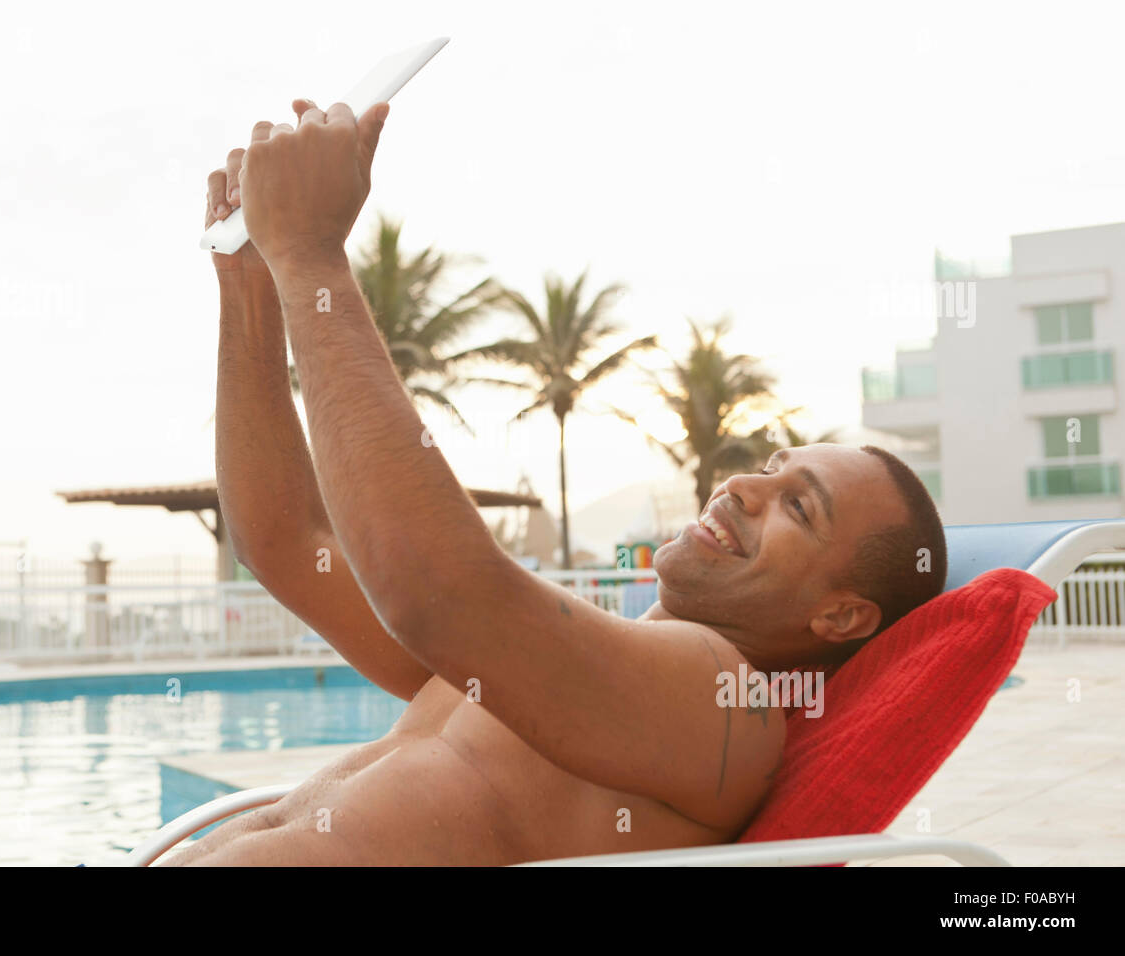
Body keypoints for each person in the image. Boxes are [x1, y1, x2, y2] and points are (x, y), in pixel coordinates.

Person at [167, 100, 946, 865]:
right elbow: (289, 545)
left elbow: (435, 591)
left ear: (842, 616)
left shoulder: (729, 706)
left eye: (799, 507)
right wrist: (249, 287)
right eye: (771, 468)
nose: (744, 485)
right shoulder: (544, 661)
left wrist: (309, 252)